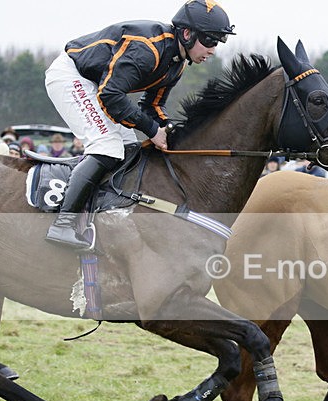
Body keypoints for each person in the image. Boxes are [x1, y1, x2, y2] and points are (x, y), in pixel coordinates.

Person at [43, 0, 235, 250]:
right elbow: (111, 94)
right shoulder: (148, 49)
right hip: (72, 76)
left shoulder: (176, 64)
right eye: (210, 41)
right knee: (107, 146)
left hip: (95, 86)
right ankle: (63, 224)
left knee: (128, 149)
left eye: (218, 43)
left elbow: (151, 107)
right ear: (187, 34)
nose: (213, 50)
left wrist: (169, 129)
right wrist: (153, 130)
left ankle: (100, 217)